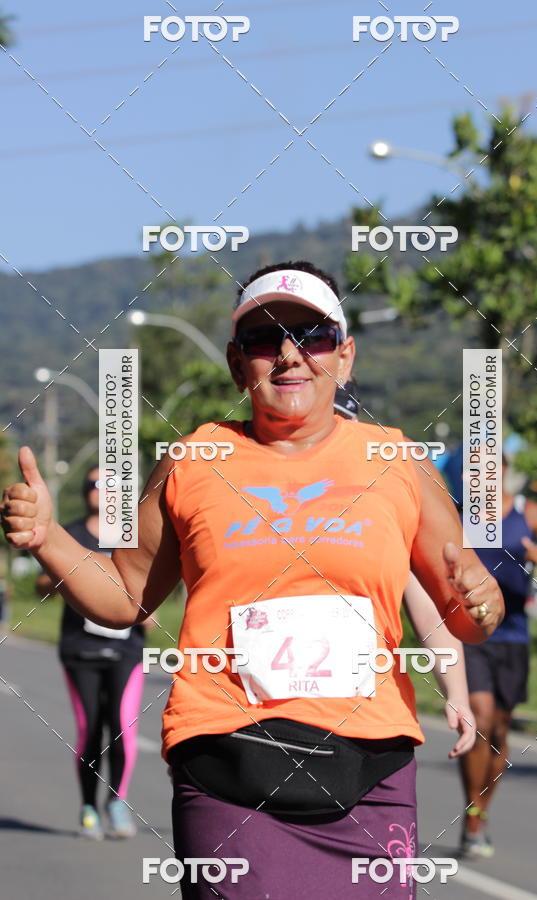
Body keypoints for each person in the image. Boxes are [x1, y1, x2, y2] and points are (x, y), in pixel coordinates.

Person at [2, 261, 504, 899]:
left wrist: (482, 604)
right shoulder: (192, 462)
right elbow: (127, 595)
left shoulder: (399, 464)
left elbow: (464, 615)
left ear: (345, 357)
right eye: (266, 340)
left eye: (314, 337)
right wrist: (49, 538)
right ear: (238, 364)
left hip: (371, 767)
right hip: (227, 762)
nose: (290, 355)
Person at [334, 379, 476, 760]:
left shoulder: (385, 487)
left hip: (371, 720)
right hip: (257, 719)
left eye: (340, 421)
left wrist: (457, 693)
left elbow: (428, 606)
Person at [458, 455, 537, 858]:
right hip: (470, 633)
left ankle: (481, 810)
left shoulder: (530, 514)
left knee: (498, 732)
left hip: (513, 636)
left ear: (503, 472)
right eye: (473, 471)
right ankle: (472, 818)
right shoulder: (457, 516)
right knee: (479, 720)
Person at [35, 467, 147, 840]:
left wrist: (148, 610)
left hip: (127, 648)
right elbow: (41, 587)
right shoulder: (69, 536)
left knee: (122, 727)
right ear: (85, 492)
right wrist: (62, 577)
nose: (101, 491)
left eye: (110, 485)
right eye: (94, 485)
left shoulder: (131, 537)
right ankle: (88, 807)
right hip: (80, 648)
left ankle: (117, 802)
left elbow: (152, 585)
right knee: (90, 729)